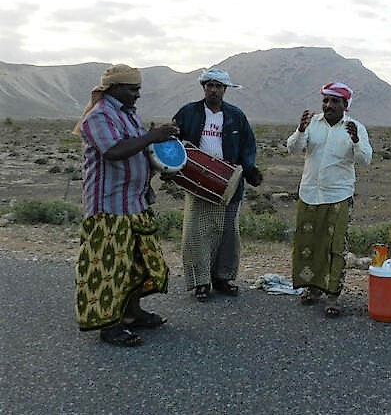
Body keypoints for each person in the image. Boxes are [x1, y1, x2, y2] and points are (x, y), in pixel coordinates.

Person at [73, 64, 178, 347]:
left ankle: (132, 314)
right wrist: (153, 136)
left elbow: (138, 149)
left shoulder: (127, 115)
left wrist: (161, 162)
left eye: (138, 89)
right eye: (133, 89)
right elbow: (114, 151)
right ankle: (110, 325)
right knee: (109, 268)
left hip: (135, 202)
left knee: (138, 262)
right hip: (109, 207)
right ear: (114, 88)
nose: (137, 95)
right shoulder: (98, 117)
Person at [173, 68, 262, 302]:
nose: (213, 90)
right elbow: (172, 141)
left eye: (218, 86)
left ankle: (223, 278)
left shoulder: (236, 115)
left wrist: (250, 169)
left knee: (228, 233)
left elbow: (247, 146)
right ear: (204, 87)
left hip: (229, 182)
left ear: (225, 89)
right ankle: (200, 282)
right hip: (198, 182)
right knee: (197, 233)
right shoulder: (188, 112)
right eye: (209, 85)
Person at [286, 82, 372, 317]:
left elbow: (365, 160)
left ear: (346, 105)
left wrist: (355, 140)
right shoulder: (312, 124)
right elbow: (292, 148)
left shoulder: (355, 127)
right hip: (310, 193)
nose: (328, 105)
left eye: (335, 101)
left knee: (334, 246)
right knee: (309, 243)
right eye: (326, 100)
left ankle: (333, 296)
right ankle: (313, 289)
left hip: (338, 195)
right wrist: (301, 129)